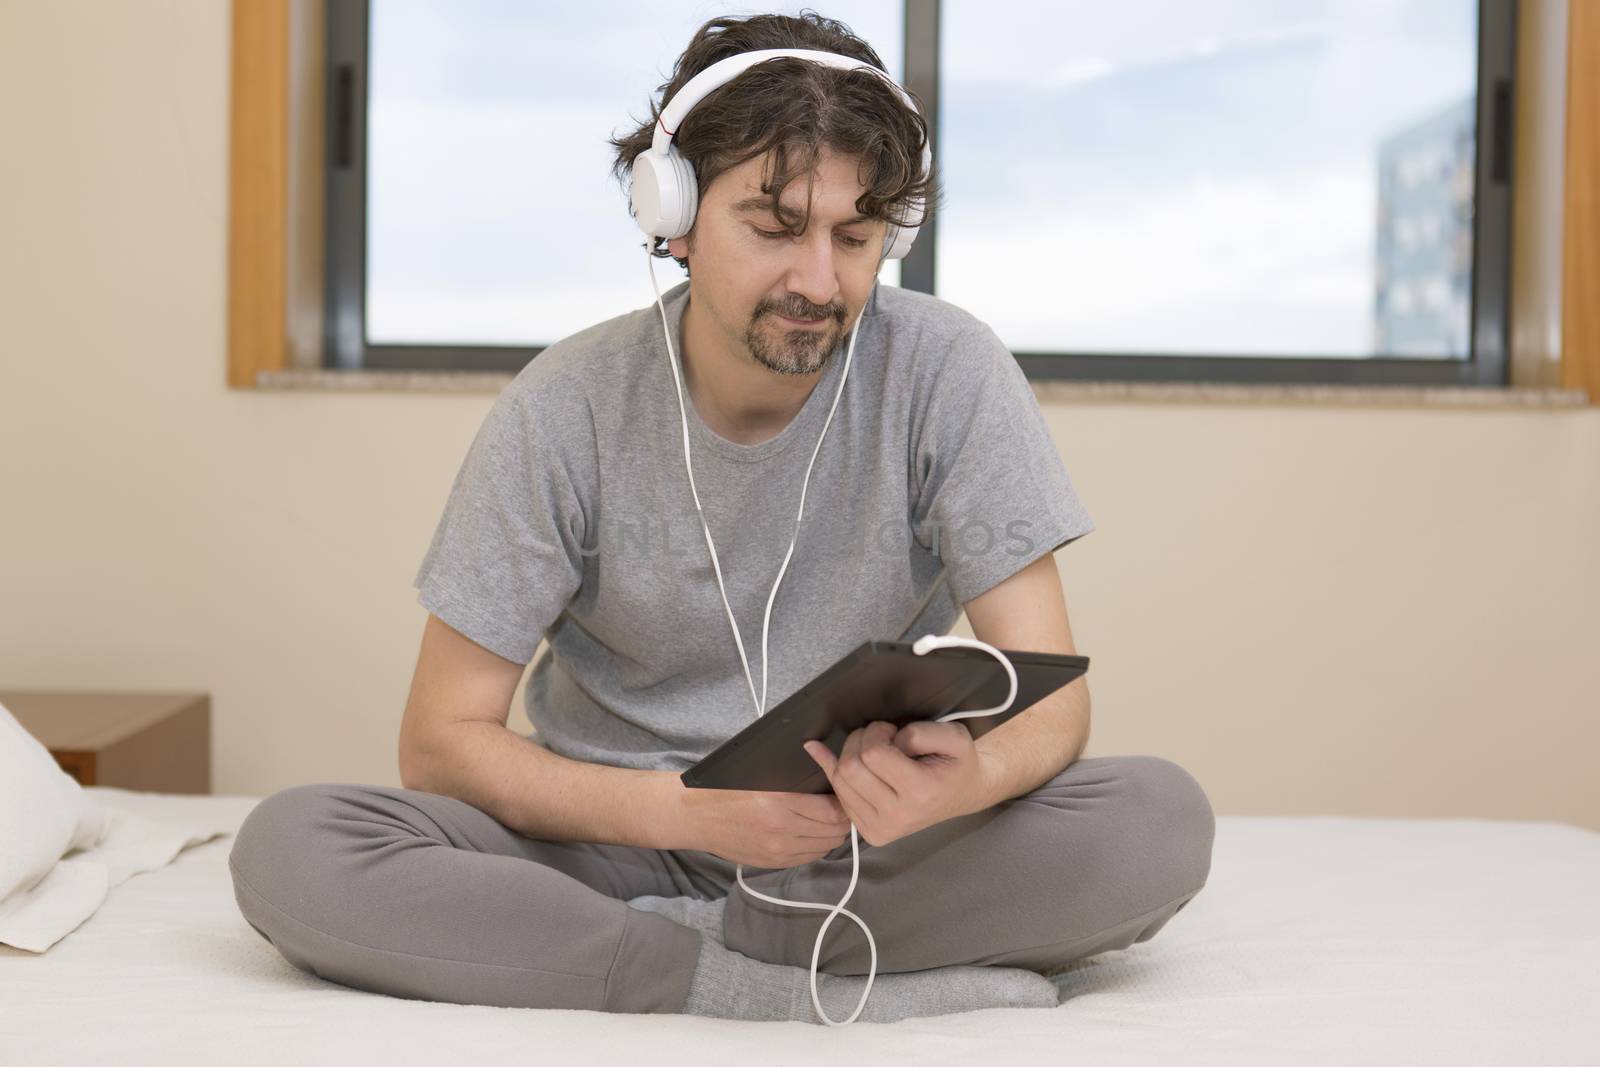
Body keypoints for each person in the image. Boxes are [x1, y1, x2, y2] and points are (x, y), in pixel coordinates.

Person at [228, 12, 1215, 1026]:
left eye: (856, 235)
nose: (819, 282)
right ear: (676, 216)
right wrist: (683, 810)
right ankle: (738, 978)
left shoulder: (946, 371)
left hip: (854, 845)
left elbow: (1049, 697)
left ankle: (720, 945)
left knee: (1157, 819)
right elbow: (440, 741)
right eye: (774, 225)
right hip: (607, 842)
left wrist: (964, 783)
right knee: (294, 847)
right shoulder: (565, 405)